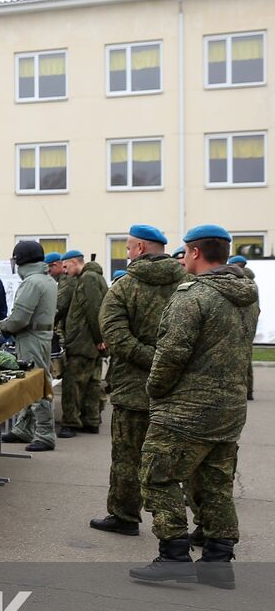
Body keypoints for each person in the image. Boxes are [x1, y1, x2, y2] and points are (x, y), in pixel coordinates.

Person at [130, 225, 258, 588]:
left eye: (185, 253)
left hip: (185, 410)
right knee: (216, 483)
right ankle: (218, 562)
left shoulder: (193, 296)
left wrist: (155, 388)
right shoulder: (247, 294)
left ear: (197, 253)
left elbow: (171, 354)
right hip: (229, 408)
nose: (182, 259)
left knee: (157, 475)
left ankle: (173, 555)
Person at [90, 225, 186, 536]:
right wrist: (168, 362)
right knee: (172, 459)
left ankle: (124, 515)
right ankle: (178, 525)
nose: (128, 253)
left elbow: (115, 336)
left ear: (141, 249)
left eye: (129, 247)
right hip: (177, 387)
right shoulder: (189, 283)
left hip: (133, 387)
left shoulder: (124, 286)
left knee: (127, 455)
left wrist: (150, 358)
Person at [0, 241, 59, 452]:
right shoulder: (46, 280)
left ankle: (44, 433)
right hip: (40, 335)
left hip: (30, 337)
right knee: (32, 381)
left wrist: (3, 326)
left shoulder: (32, 283)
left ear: (20, 260)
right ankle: (24, 428)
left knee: (37, 384)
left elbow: (19, 318)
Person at [59, 249, 108, 437]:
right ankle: (91, 420)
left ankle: (71, 423)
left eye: (65, 266)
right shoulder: (93, 277)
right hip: (89, 342)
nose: (64, 271)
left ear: (74, 262)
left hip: (83, 342)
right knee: (92, 383)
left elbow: (94, 309)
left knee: (73, 383)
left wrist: (99, 339)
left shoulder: (88, 278)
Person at [227, 255, 258, 401]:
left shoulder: (233, 281)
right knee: (247, 356)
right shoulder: (252, 283)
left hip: (236, 321)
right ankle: (249, 391)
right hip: (250, 323)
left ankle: (235, 389)